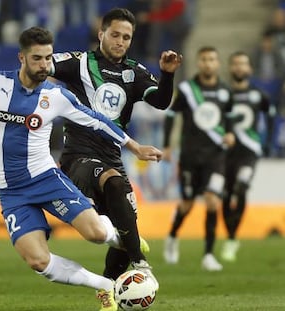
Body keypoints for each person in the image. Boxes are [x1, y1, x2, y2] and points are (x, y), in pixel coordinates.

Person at [0, 26, 163, 311]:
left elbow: (97, 121)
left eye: (47, 58)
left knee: (95, 235)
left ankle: (124, 237)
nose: (44, 65)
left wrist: (134, 146)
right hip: (12, 192)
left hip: (47, 179)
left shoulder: (56, 96)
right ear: (21, 58)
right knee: (38, 262)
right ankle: (106, 287)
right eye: (37, 59)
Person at [50, 7, 182, 282]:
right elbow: (42, 65)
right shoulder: (79, 63)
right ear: (101, 34)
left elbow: (160, 101)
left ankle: (109, 289)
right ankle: (142, 263)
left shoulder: (134, 72)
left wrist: (167, 75)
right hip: (78, 158)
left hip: (112, 158)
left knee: (126, 230)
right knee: (113, 183)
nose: (120, 41)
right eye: (115, 35)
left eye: (126, 37)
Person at [162, 46, 235, 271]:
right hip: (190, 156)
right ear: (198, 62)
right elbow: (172, 115)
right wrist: (167, 145)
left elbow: (230, 118)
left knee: (213, 201)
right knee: (187, 204)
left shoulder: (225, 91)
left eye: (212, 59)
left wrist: (231, 133)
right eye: (204, 59)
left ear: (218, 64)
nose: (208, 63)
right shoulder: (186, 89)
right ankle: (172, 237)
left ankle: (208, 255)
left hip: (216, 157)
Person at [221, 51, 276, 262]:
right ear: (230, 68)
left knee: (241, 187)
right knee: (225, 196)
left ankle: (233, 238)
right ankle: (231, 236)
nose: (239, 68)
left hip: (249, 151)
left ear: (250, 69)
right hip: (226, 153)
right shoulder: (224, 94)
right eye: (235, 64)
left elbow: (271, 116)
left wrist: (268, 142)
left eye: (243, 64)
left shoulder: (258, 95)